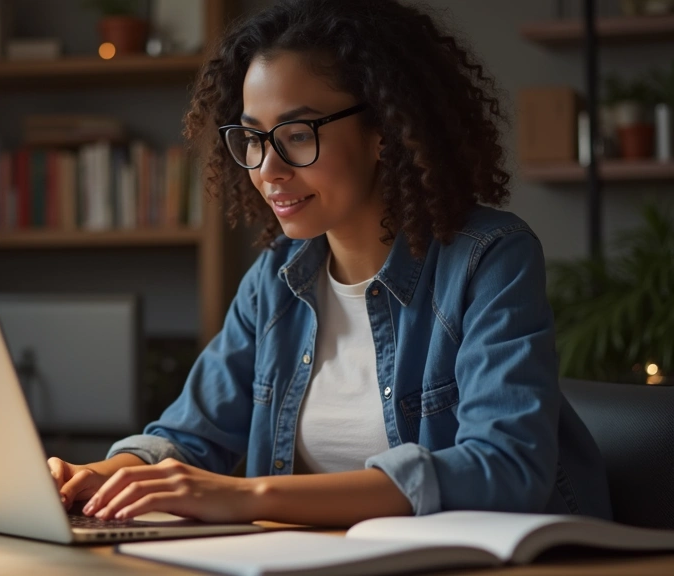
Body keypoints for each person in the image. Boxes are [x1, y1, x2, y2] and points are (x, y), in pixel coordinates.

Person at [47, 0, 612, 526]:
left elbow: (505, 469)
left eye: (296, 134)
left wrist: (248, 496)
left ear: (383, 133)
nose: (268, 168)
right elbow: (188, 437)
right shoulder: (277, 276)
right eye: (251, 138)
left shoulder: (489, 257)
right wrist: (96, 476)